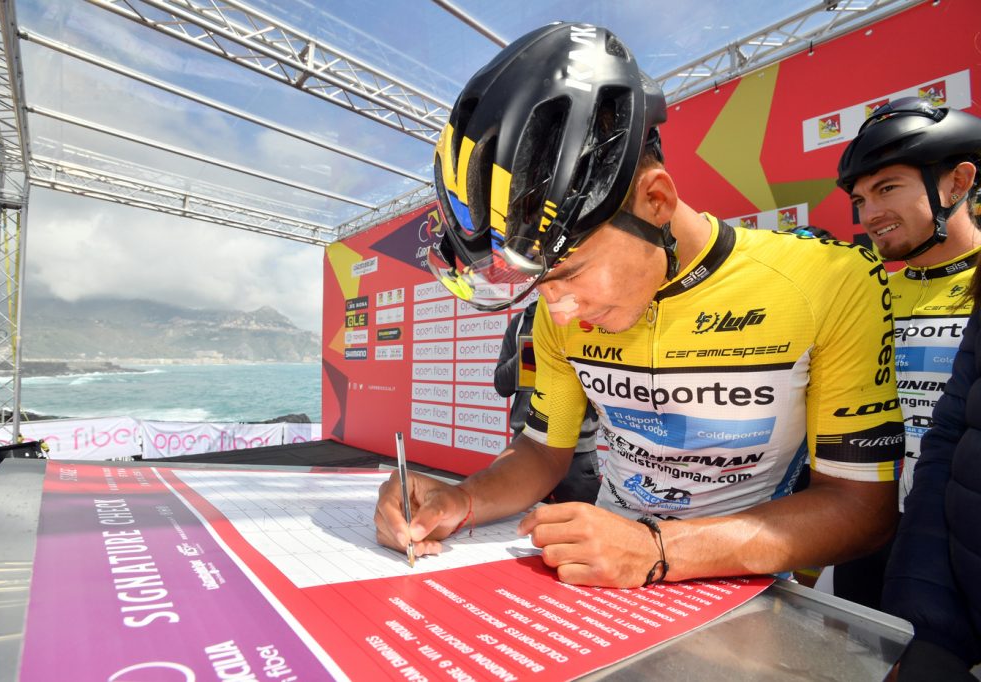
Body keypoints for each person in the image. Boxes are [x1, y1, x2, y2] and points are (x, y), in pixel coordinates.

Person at [375, 22, 903, 588]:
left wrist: (657, 549)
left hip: (737, 584)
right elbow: (543, 452)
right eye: (539, 284)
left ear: (656, 200)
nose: (558, 312)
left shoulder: (829, 280)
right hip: (606, 571)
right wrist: (462, 499)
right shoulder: (557, 311)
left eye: (570, 273)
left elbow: (862, 510)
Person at [832, 97, 981, 609]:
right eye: (860, 200)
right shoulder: (866, 291)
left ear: (958, 183)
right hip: (869, 529)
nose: (871, 214)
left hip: (961, 539)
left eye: (887, 188)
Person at [880, 256, 981, 680]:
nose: (870, 222)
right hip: (897, 512)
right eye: (861, 218)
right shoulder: (877, 286)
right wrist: (928, 636)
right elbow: (950, 434)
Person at [494, 299, 601, 504]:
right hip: (526, 449)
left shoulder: (587, 320)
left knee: (578, 521)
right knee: (520, 521)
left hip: (577, 452)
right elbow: (502, 385)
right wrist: (532, 347)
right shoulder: (521, 321)